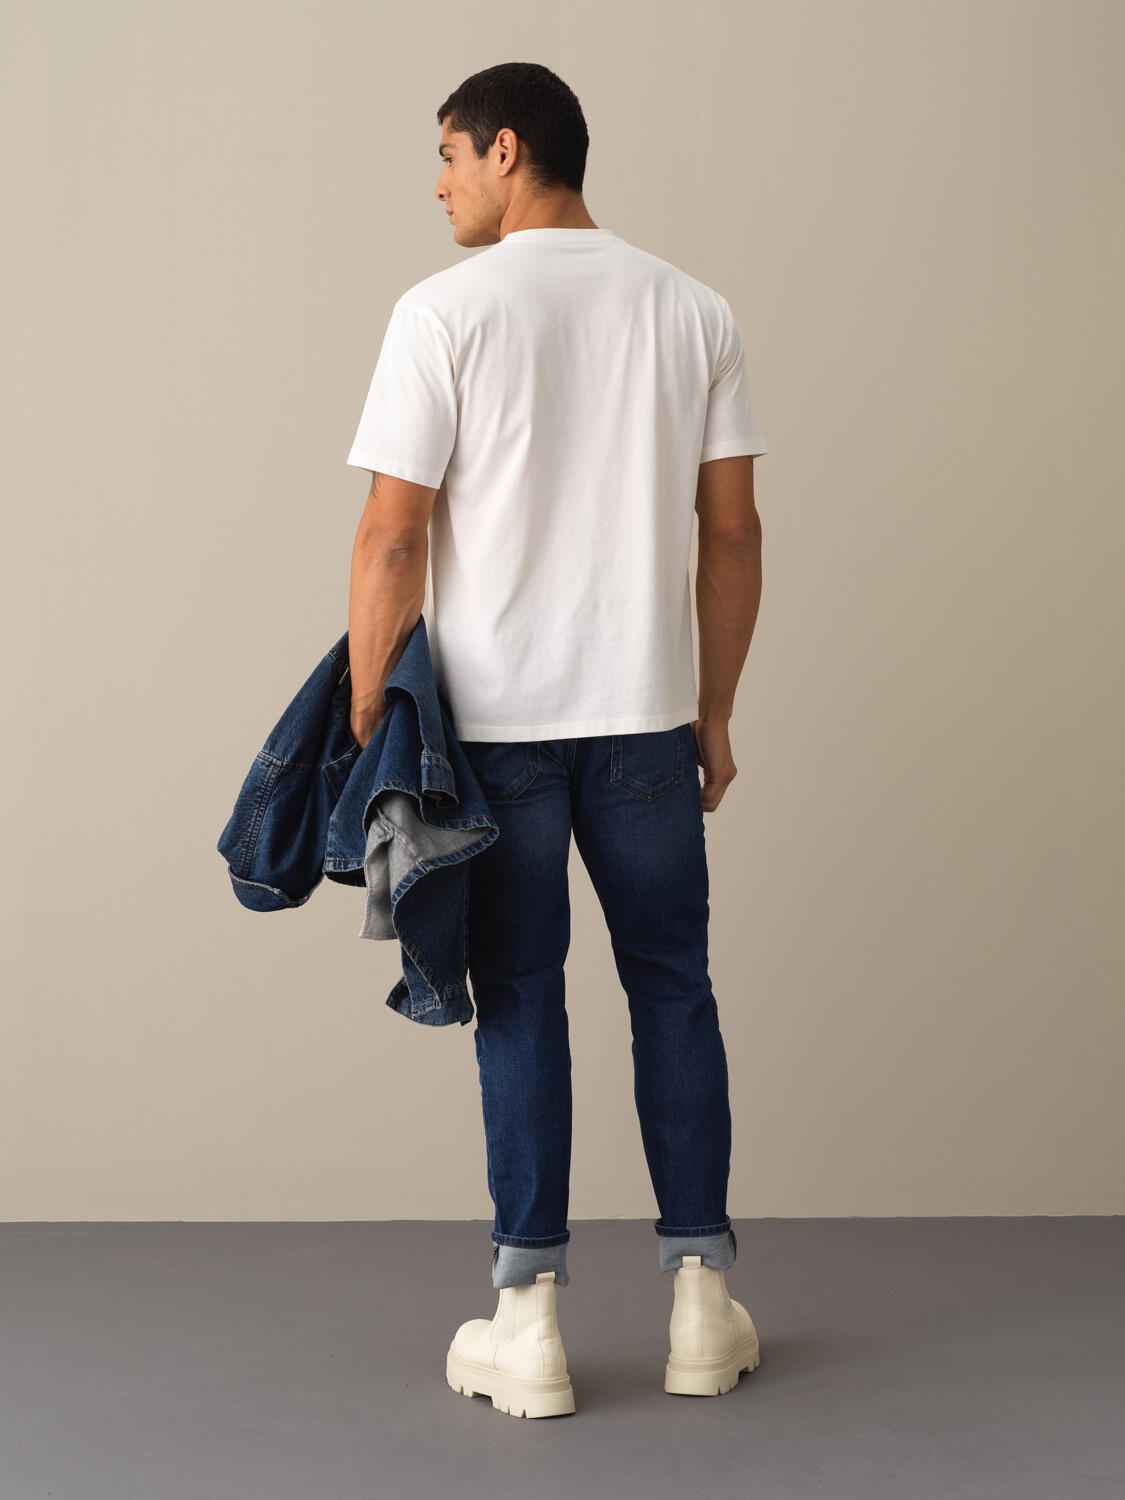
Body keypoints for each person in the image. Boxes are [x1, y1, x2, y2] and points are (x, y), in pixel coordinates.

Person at [345, 61, 766, 1416]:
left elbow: (393, 535)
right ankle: (699, 1308)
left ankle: (526, 1325)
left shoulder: (442, 313)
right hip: (644, 718)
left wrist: (369, 715)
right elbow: (732, 534)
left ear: (507, 150)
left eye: (448, 156)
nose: (437, 185)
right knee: (673, 989)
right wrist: (714, 707)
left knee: (521, 996)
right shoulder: (692, 309)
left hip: (496, 731)